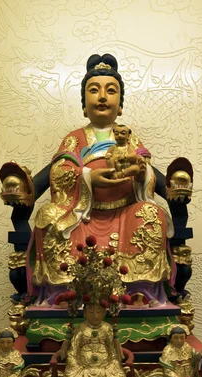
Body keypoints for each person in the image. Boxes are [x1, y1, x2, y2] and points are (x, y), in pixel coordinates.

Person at [27, 53, 174, 306]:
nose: (103, 96)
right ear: (84, 105)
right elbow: (60, 171)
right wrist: (88, 177)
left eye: (111, 90)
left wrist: (141, 173)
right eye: (94, 90)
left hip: (125, 212)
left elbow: (147, 172)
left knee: (152, 214)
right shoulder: (74, 138)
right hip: (83, 214)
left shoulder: (130, 138)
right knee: (48, 216)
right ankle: (63, 295)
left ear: (121, 105)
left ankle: (138, 293)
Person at [59, 301, 131, 377]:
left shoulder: (107, 328)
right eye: (91, 312)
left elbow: (112, 351)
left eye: (98, 312)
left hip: (105, 364)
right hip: (83, 366)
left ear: (104, 313)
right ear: (84, 313)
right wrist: (75, 364)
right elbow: (73, 351)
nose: (95, 315)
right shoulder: (80, 329)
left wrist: (112, 363)